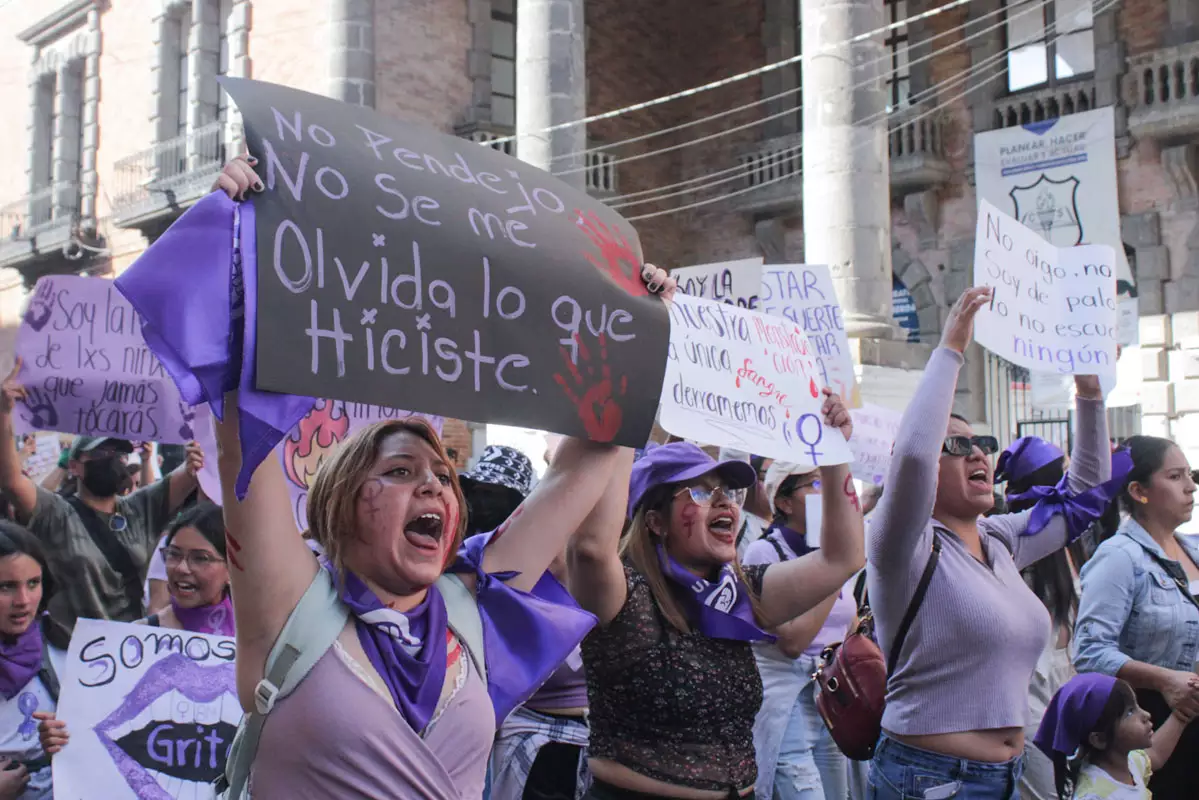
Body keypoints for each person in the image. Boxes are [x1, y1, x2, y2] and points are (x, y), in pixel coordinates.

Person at [210, 151, 679, 799]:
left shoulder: (473, 610)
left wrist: (637, 334)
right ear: (340, 503)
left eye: (443, 472)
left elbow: (580, 463)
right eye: (400, 470)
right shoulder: (290, 606)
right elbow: (241, 447)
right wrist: (236, 244)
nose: (433, 484)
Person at [867, 286, 1113, 799]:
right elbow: (913, 456)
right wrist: (952, 346)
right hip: (928, 778)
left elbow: (1085, 493)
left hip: (1005, 776)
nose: (978, 453)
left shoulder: (998, 539)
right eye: (956, 445)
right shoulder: (899, 544)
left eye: (983, 443)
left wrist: (1089, 394)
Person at [569, 393, 864, 799]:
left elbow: (842, 559)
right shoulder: (625, 596)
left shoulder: (740, 593)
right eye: (702, 492)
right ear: (655, 521)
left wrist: (834, 453)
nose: (724, 500)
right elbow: (589, 547)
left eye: (727, 491)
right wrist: (627, 406)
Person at [0, 368, 203, 641]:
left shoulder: (140, 508)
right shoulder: (56, 513)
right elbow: (11, 480)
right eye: (101, 452)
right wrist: (4, 414)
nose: (113, 459)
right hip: (69, 653)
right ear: (74, 466)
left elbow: (192, 469)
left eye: (118, 453)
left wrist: (202, 433)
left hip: (127, 652)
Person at [34, 502, 234, 760]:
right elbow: (96, 729)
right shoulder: (132, 643)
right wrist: (62, 734)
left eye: (200, 558)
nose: (182, 568)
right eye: (173, 554)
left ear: (231, 568)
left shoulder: (257, 641)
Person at [1073, 435, 1199, 798]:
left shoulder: (1192, 548)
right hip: (1152, 729)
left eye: (1189, 475)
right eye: (1175, 477)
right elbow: (1090, 652)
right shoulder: (1119, 557)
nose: (1190, 487)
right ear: (1139, 491)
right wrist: (1164, 679)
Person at [744, 462, 856, 800]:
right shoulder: (764, 552)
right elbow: (792, 642)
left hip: (832, 701)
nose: (826, 494)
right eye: (815, 485)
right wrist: (832, 567)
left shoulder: (838, 553)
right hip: (789, 704)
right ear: (784, 501)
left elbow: (847, 624)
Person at [1032, 673, 1189, 800]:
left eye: (1137, 705)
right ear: (1099, 739)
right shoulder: (1094, 795)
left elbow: (1155, 755)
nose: (1146, 714)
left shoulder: (1128, 763)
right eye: (1129, 712)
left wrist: (1182, 715)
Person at [0, 522, 65, 800]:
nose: (23, 600)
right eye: (6, 587)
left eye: (33, 583)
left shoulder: (64, 647)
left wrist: (64, 740)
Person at [461, 445, 535, 538]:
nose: (480, 501)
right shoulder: (459, 534)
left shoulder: (528, 541)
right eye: (476, 492)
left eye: (489, 494)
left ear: (514, 500)